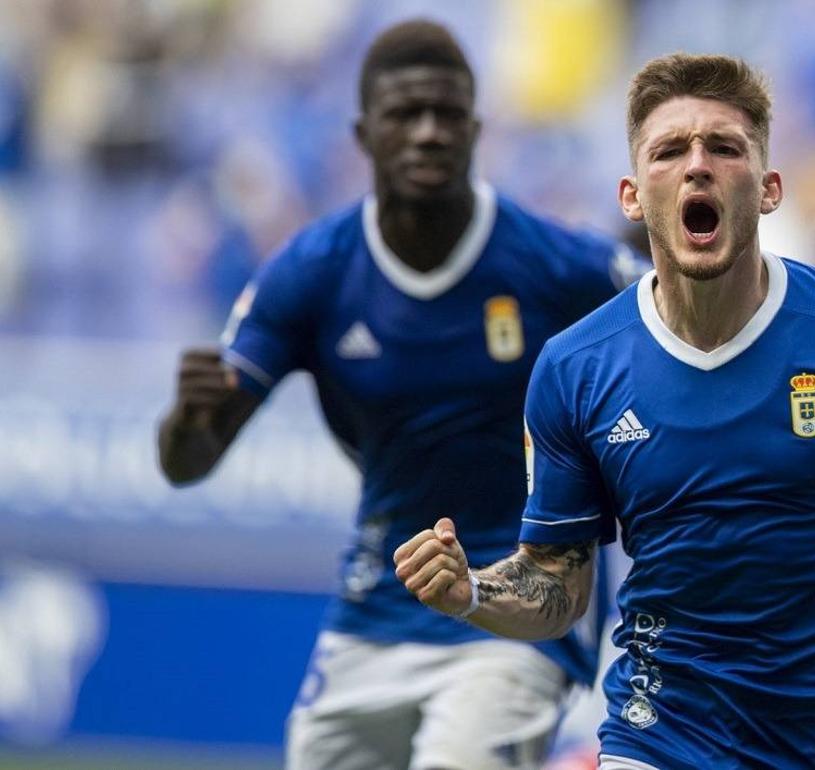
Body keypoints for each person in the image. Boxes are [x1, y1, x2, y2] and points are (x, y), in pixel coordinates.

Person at [394, 53, 815, 770]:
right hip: (659, 734)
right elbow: (555, 582)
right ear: (632, 196)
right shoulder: (575, 368)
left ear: (768, 188)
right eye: (670, 151)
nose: (698, 166)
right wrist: (472, 590)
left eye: (724, 148)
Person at [157, 20, 642, 770]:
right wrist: (188, 419)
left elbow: (676, 324)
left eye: (447, 114)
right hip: (379, 604)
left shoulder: (555, 264)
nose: (427, 132)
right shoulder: (313, 271)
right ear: (363, 133)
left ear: (476, 129)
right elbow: (188, 462)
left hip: (519, 605)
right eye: (405, 113)